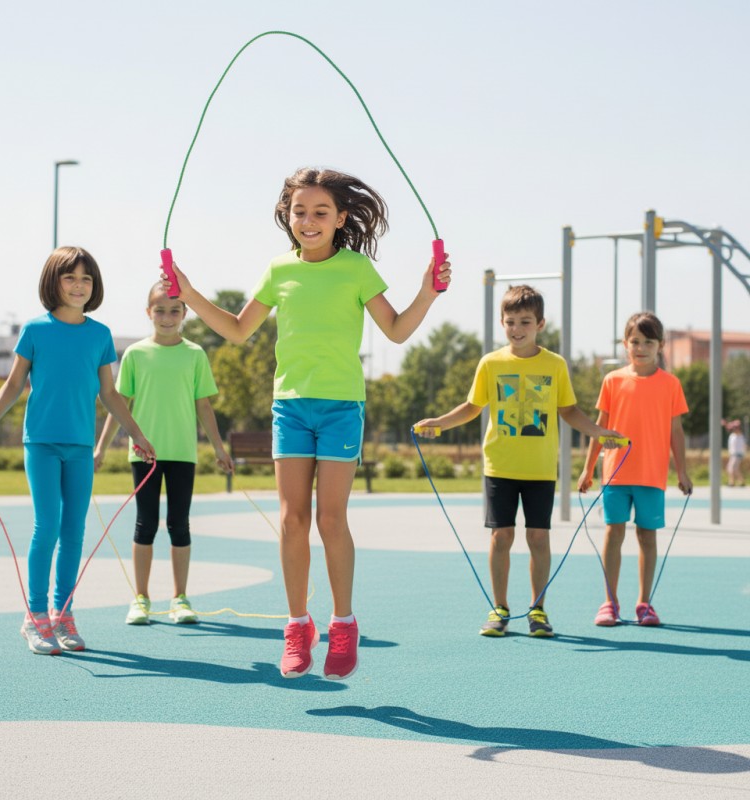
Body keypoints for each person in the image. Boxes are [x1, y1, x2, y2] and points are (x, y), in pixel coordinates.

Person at [162, 167, 451, 680]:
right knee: (292, 519)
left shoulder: (357, 268)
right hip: (290, 407)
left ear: (341, 219)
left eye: (321, 212)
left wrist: (427, 292)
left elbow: (399, 331)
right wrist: (187, 291)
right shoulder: (278, 271)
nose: (309, 220)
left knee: (330, 520)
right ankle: (298, 627)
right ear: (287, 216)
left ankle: (343, 624)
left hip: (341, 406)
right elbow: (235, 330)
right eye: (300, 211)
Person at [0, 247, 155, 655]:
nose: (78, 285)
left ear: (94, 286)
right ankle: (35, 618)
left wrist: (135, 433)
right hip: (42, 443)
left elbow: (110, 393)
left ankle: (63, 614)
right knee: (47, 526)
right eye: (70, 277)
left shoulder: (100, 335)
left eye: (86, 279)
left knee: (74, 531)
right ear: (54, 282)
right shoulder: (36, 330)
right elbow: (14, 384)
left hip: (81, 446)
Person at [415, 284, 622, 638]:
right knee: (501, 536)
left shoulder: (554, 365)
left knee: (538, 538)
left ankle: (537, 609)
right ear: (502, 322)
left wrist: (598, 431)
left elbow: (569, 410)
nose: (517, 328)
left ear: (540, 323)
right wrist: (439, 422)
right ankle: (500, 607)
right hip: (499, 466)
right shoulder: (491, 363)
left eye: (525, 321)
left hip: (540, 469)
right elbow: (472, 407)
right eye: (510, 321)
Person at [94, 282, 233, 626]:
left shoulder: (195, 354)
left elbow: (204, 405)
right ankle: (140, 598)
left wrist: (218, 447)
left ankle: (180, 598)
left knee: (179, 524)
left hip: (183, 453)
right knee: (145, 524)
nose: (167, 317)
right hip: (144, 454)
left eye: (174, 310)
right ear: (148, 313)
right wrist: (100, 449)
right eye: (160, 310)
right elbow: (119, 406)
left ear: (185, 313)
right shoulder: (136, 355)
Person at [578, 311, 692, 627]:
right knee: (613, 534)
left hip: (652, 475)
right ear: (626, 344)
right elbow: (599, 428)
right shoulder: (612, 381)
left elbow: (676, 432)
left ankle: (644, 603)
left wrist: (681, 471)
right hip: (615, 474)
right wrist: (588, 469)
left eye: (648, 342)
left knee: (647, 537)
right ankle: (609, 603)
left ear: (661, 345)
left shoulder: (671, 384)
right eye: (635, 341)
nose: (640, 348)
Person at [725, 419, 746, 487]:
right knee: (735, 469)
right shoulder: (733, 435)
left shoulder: (740, 435)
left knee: (731, 468)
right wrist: (726, 424)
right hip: (733, 454)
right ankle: (741, 481)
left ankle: (732, 482)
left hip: (737, 455)